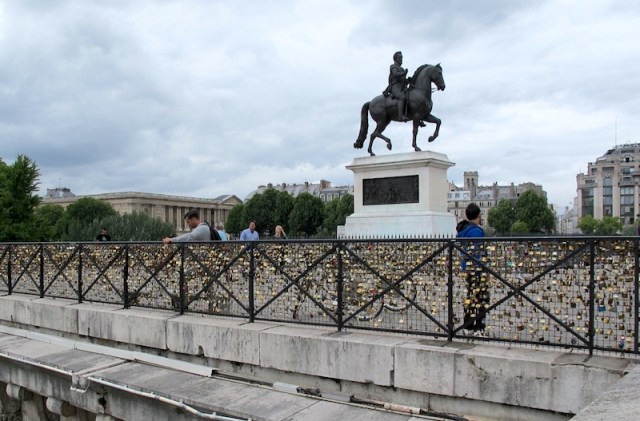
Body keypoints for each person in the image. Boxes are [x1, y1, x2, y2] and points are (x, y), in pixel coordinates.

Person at [456, 203, 488, 336]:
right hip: (478, 269)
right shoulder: (476, 231)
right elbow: (479, 251)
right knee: (481, 298)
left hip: (468, 268)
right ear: (479, 215)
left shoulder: (462, 231)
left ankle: (468, 326)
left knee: (471, 297)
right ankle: (479, 327)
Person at [383, 51, 409, 121]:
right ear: (396, 58)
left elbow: (403, 80)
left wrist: (408, 80)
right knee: (402, 97)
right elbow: (395, 74)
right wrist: (403, 73)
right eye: (400, 58)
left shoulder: (402, 69)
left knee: (412, 97)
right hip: (395, 87)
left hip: (402, 87)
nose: (401, 59)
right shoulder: (393, 67)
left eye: (402, 58)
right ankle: (400, 116)